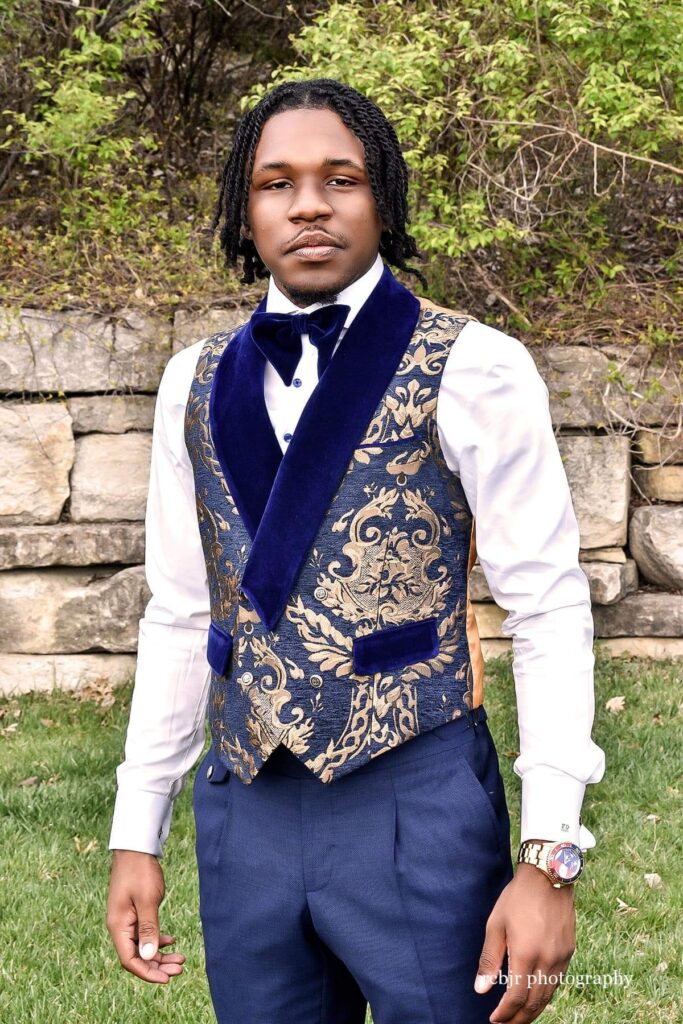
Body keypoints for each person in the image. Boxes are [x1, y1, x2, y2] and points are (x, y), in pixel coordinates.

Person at [106, 78, 606, 1024]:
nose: (307, 203)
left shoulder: (472, 365)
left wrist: (549, 856)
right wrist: (140, 828)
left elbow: (545, 605)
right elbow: (179, 612)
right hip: (243, 804)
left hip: (414, 801)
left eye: (341, 178)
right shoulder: (193, 381)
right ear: (243, 209)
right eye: (275, 182)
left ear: (384, 199)